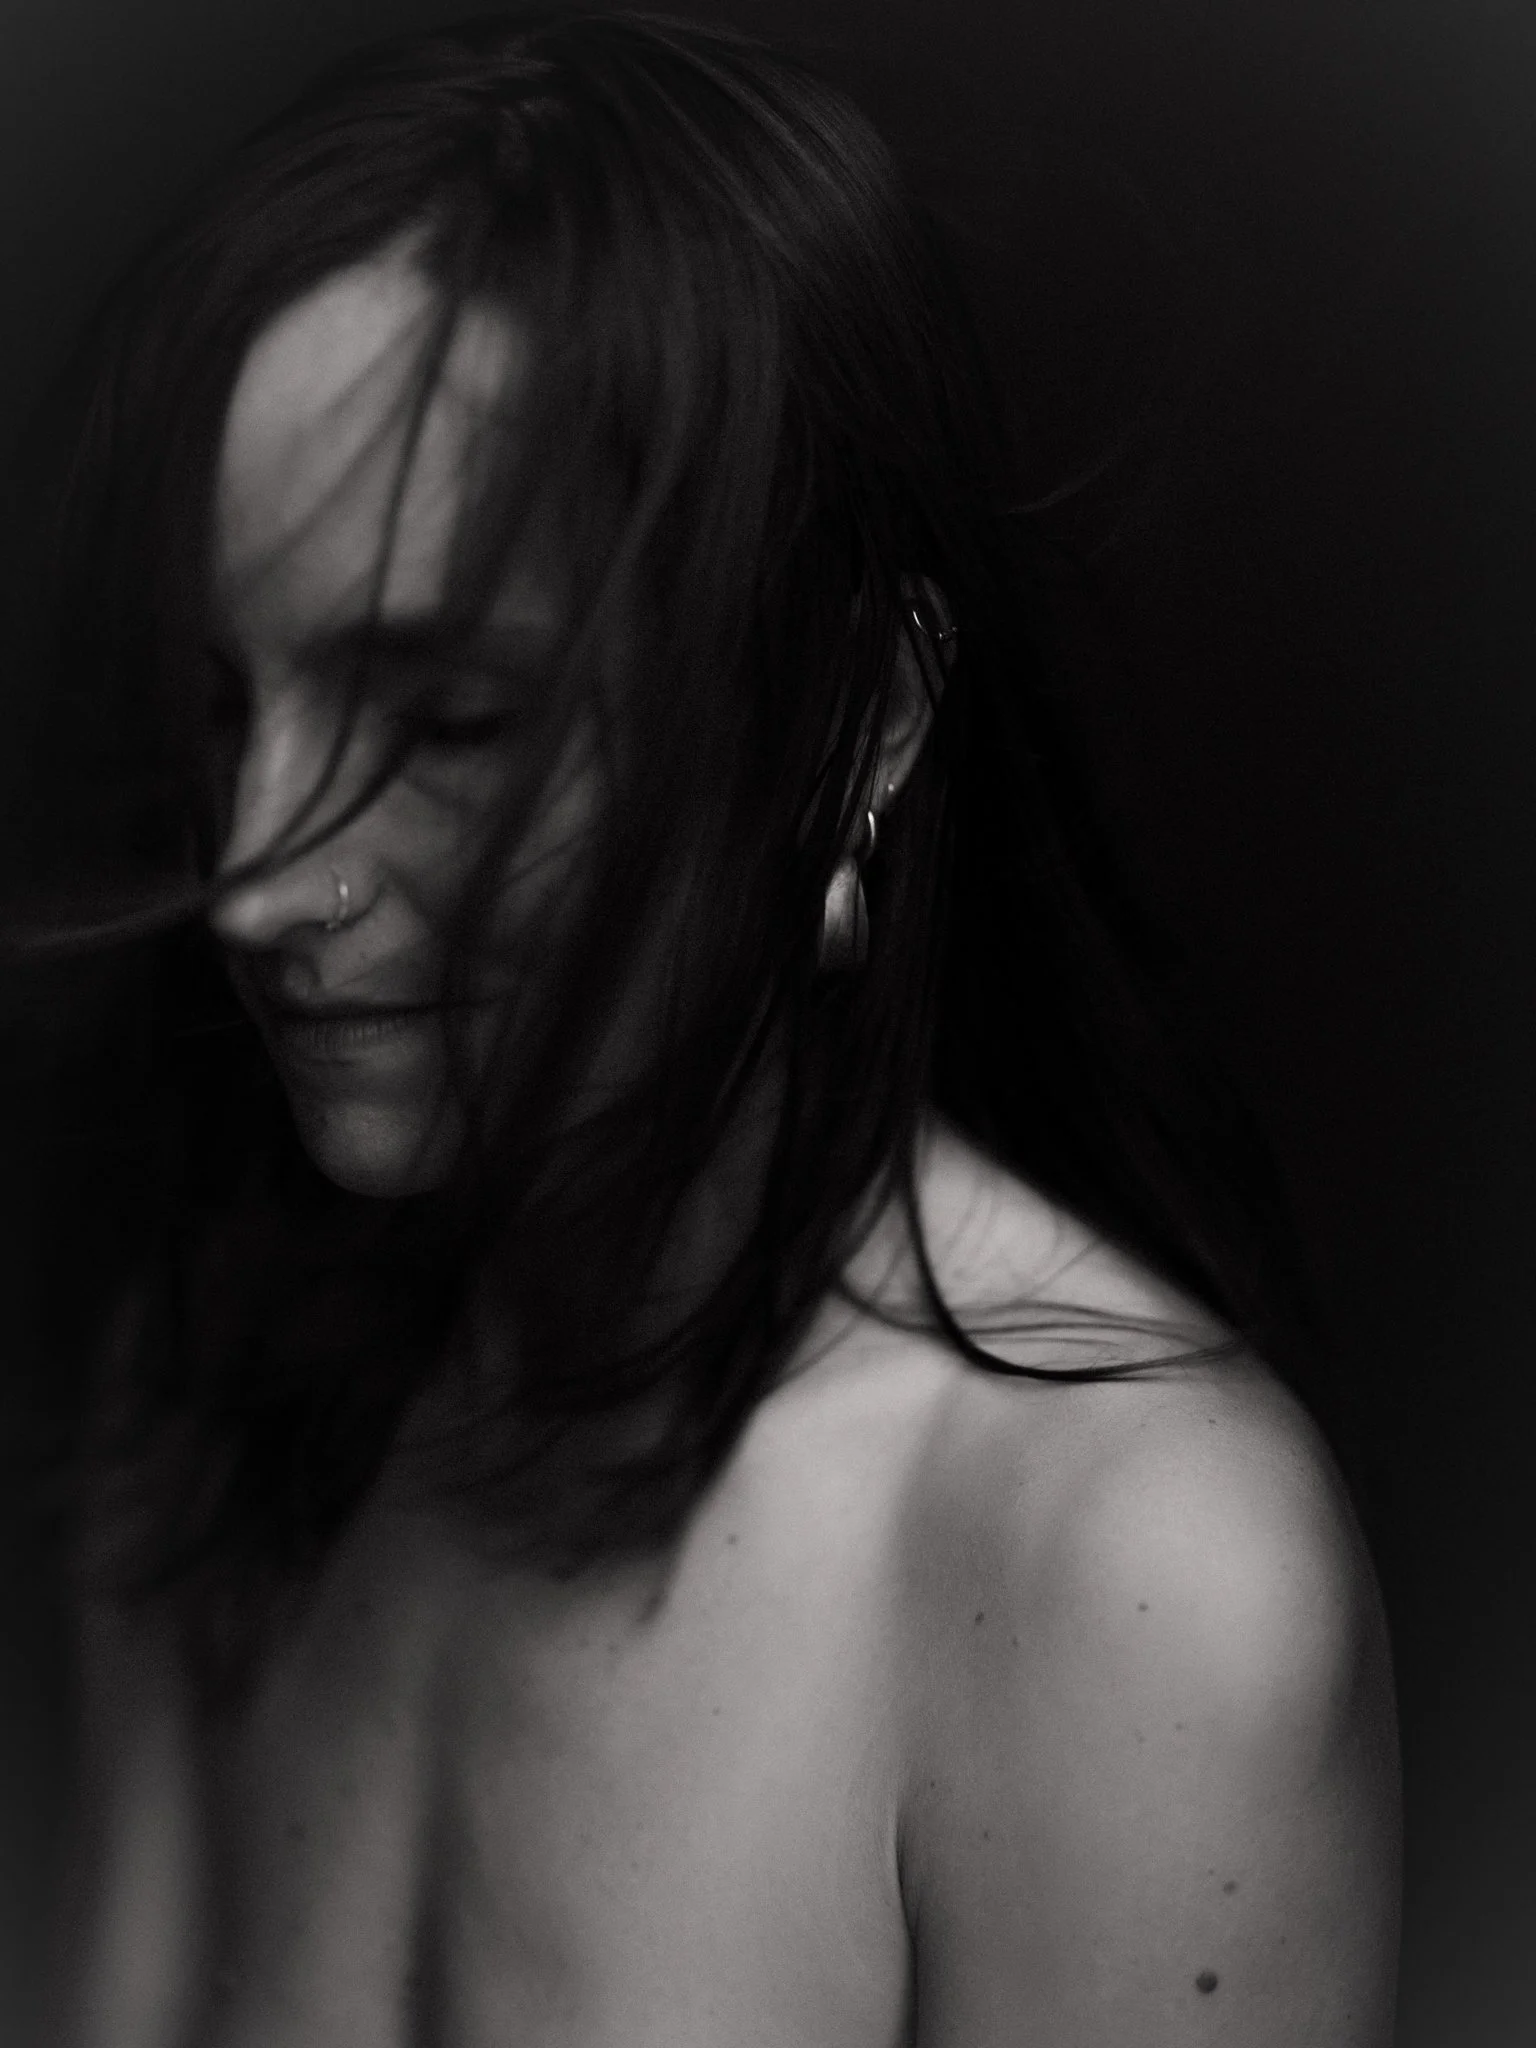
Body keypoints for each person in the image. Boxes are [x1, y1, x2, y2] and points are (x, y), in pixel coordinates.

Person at [16, 8, 1400, 2044]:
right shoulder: (217, 1394)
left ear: (854, 719)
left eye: (452, 721)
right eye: (233, 699)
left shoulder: (1133, 1584)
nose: (249, 877)